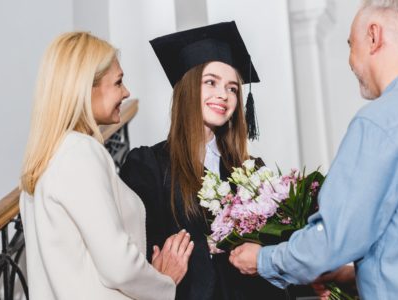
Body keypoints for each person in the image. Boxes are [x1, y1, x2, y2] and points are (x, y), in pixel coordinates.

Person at [228, 0, 398, 299]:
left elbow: (333, 240)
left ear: (373, 36)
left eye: (350, 44)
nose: (351, 61)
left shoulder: (380, 122)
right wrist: (353, 274)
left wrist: (263, 260)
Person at [19, 32, 194, 300]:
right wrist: (163, 282)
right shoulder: (80, 152)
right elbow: (118, 266)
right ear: (84, 87)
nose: (126, 92)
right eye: (118, 82)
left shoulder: (43, 160)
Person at [119, 22, 286, 300]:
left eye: (232, 88)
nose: (224, 95)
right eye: (211, 82)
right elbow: (140, 253)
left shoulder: (251, 171)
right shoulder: (148, 167)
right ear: (187, 88)